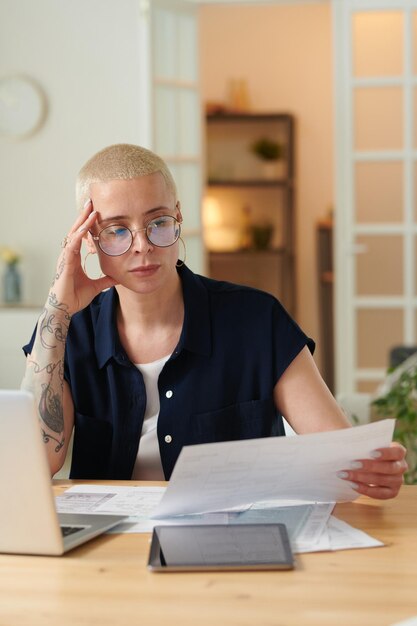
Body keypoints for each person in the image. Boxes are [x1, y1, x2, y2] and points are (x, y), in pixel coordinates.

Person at [21, 143, 407, 499]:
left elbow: (339, 454)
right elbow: (35, 465)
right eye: (117, 230)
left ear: (179, 218)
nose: (142, 245)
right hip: (109, 555)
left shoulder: (256, 320)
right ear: (87, 240)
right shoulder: (67, 333)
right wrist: (57, 309)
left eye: (158, 223)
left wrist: (374, 470)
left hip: (236, 543)